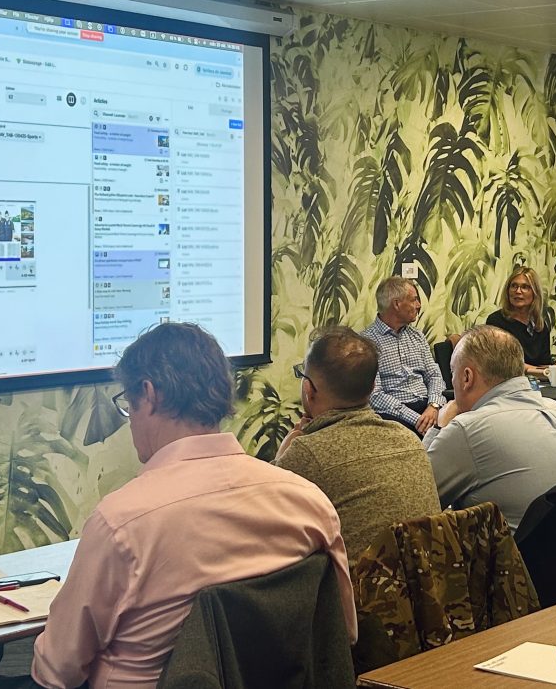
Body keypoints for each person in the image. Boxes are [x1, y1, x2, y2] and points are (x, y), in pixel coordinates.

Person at [29, 322, 355, 689]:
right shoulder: (309, 503)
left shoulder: (122, 524)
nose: (130, 422)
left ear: (149, 394)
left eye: (129, 406)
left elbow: (58, 671)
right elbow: (340, 631)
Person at [274, 326, 441, 562]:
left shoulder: (306, 453)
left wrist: (281, 458)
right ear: (372, 388)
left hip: (354, 586)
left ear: (308, 390)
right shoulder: (410, 439)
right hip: (429, 581)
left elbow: (268, 526)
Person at [423, 325, 556, 532]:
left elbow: (411, 499)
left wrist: (439, 426)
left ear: (467, 377)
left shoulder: (467, 429)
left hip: (519, 552)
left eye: (453, 372)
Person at [361, 277, 446, 434]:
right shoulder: (366, 342)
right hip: (394, 415)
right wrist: (417, 419)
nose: (418, 305)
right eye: (414, 300)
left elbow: (434, 375)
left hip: (428, 408)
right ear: (396, 304)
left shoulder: (417, 335)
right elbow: (375, 395)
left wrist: (433, 406)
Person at [485, 266, 553, 378]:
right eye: (514, 286)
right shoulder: (496, 321)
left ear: (535, 293)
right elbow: (503, 363)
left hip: (537, 384)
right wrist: (539, 372)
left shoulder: (540, 326)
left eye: (525, 287)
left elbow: (544, 363)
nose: (518, 291)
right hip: (507, 383)